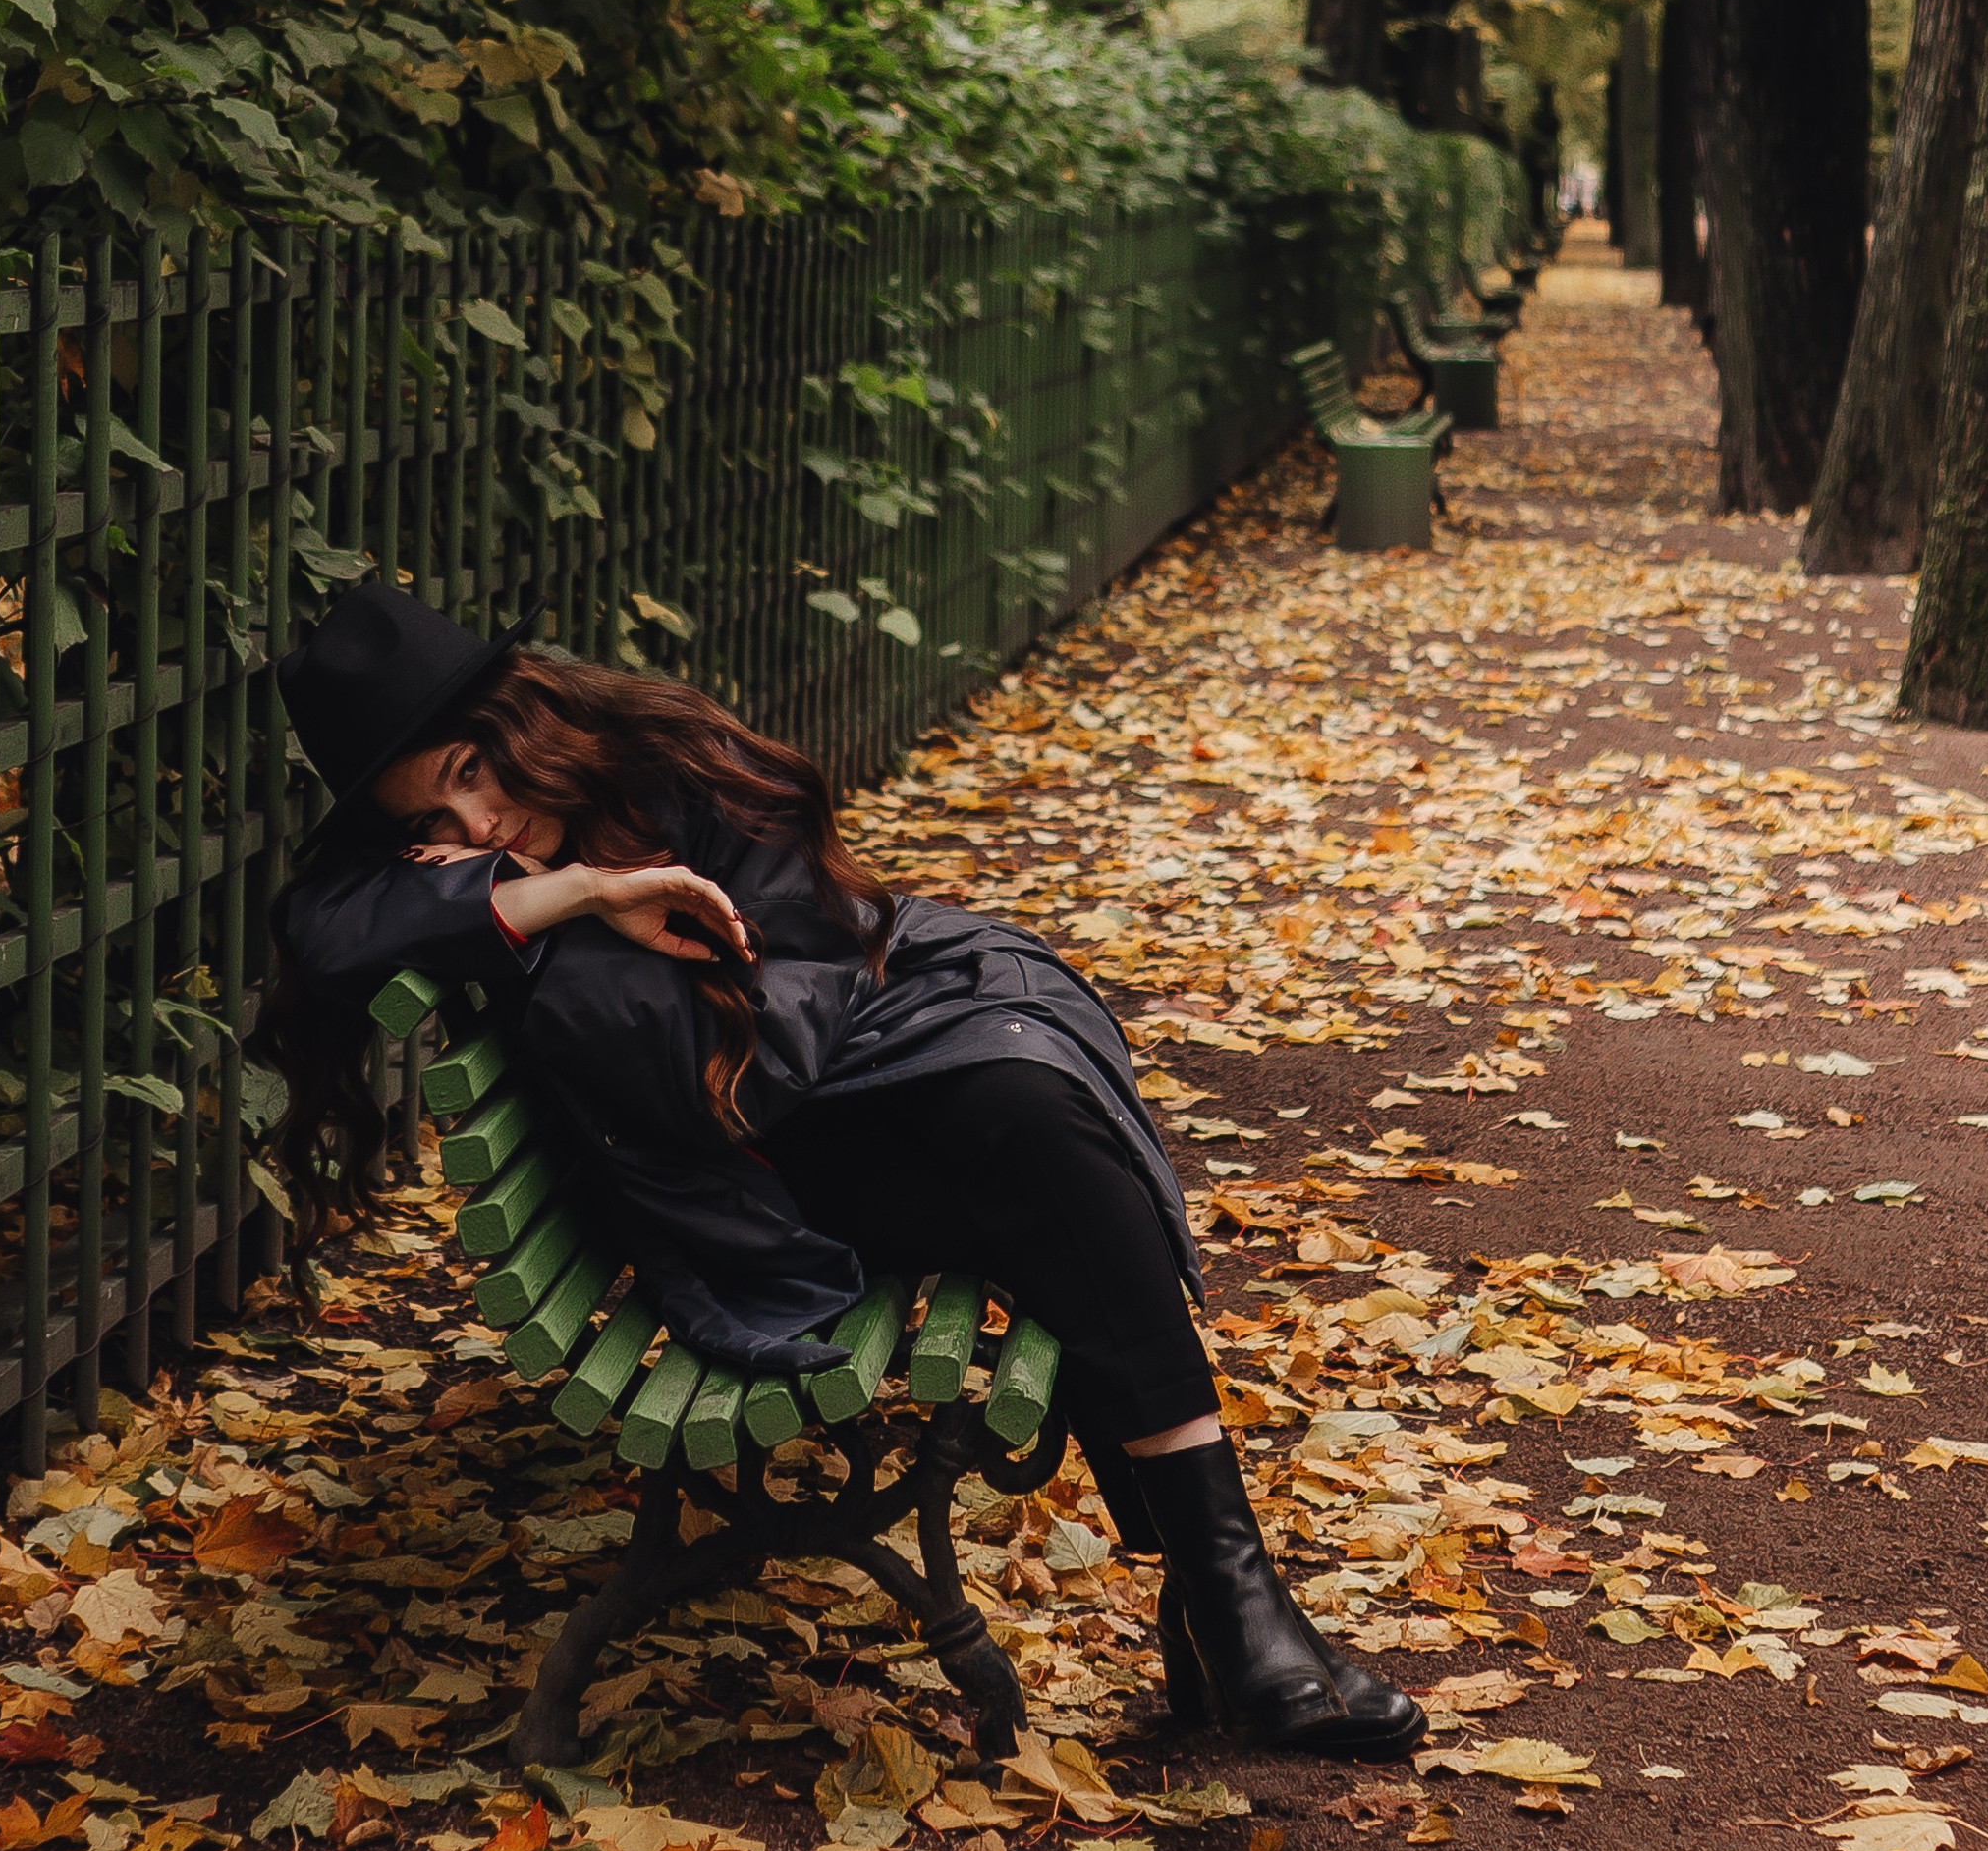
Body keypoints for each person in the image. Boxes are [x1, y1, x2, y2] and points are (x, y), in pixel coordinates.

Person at [265, 577, 1423, 1764]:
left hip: (845, 1073)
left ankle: (1223, 1597)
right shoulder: (506, 884)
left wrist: (575, 917)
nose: (482, 825)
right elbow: (324, 931)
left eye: (476, 771)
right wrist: (580, 896)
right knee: (1048, 1172)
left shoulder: (670, 760)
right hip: (766, 1185)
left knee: (1036, 1126)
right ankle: (1230, 1608)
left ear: (525, 720)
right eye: (442, 821)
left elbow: (794, 997)